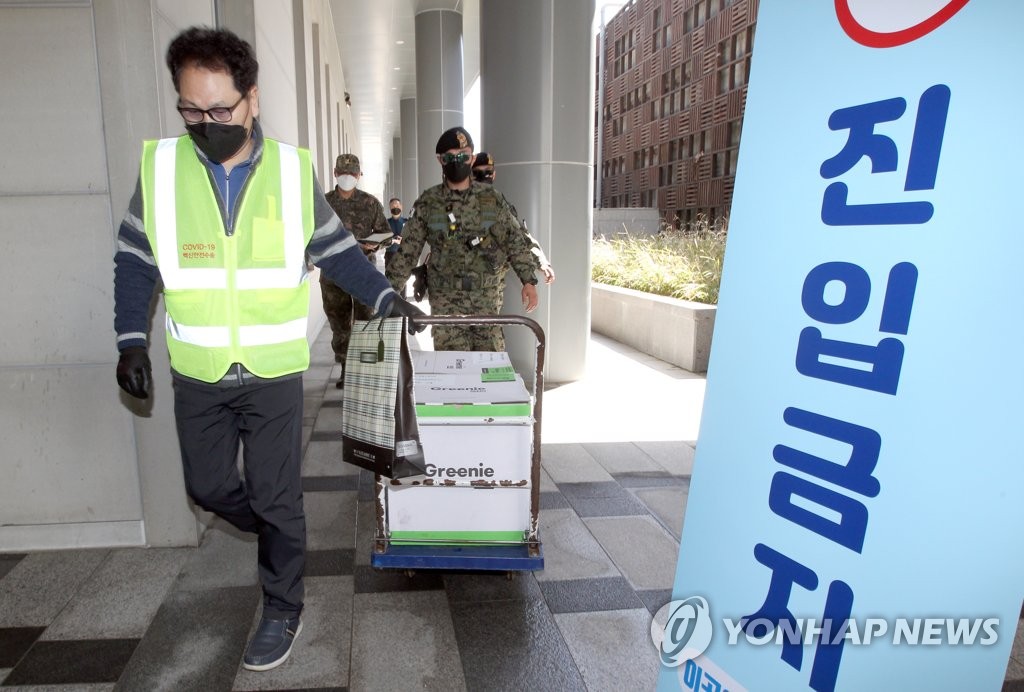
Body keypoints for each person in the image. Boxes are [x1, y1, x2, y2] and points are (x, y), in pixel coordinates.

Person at [112, 26, 423, 673]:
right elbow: (135, 259)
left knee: (279, 497)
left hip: (273, 372)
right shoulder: (163, 170)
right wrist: (130, 339)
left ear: (251, 99)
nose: (205, 123)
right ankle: (265, 527)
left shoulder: (288, 171)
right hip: (198, 369)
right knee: (209, 486)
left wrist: (389, 299)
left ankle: (283, 605)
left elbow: (336, 250)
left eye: (219, 109)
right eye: (190, 110)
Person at [386, 127, 540, 351]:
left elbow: (514, 240)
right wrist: (386, 292)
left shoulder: (491, 199)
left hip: (486, 301)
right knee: (453, 374)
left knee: (489, 370)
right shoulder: (429, 203)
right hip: (446, 304)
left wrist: (528, 280)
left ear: (472, 158)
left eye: (463, 156)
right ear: (440, 160)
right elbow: (408, 252)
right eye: (450, 157)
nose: (457, 162)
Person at [322, 153, 392, 387]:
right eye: (343, 172)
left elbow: (385, 234)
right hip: (333, 274)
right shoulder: (324, 203)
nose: (348, 177)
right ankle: (345, 368)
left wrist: (375, 243)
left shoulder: (370, 203)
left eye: (352, 173)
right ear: (335, 173)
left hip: (363, 272)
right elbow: (313, 234)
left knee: (365, 321)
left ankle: (365, 369)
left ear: (359, 175)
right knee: (339, 324)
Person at [472, 151, 556, 284]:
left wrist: (541, 261)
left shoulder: (499, 204)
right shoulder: (459, 203)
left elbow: (519, 235)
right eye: (477, 172)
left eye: (487, 172)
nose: (483, 176)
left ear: (494, 174)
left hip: (490, 288)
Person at [385, 197, 406, 271]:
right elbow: (382, 240)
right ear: (390, 208)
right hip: (390, 255)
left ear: (401, 207)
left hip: (404, 255)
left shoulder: (408, 222)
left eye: (397, 206)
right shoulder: (385, 223)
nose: (395, 208)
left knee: (403, 280)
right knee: (389, 280)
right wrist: (393, 240)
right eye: (393, 206)